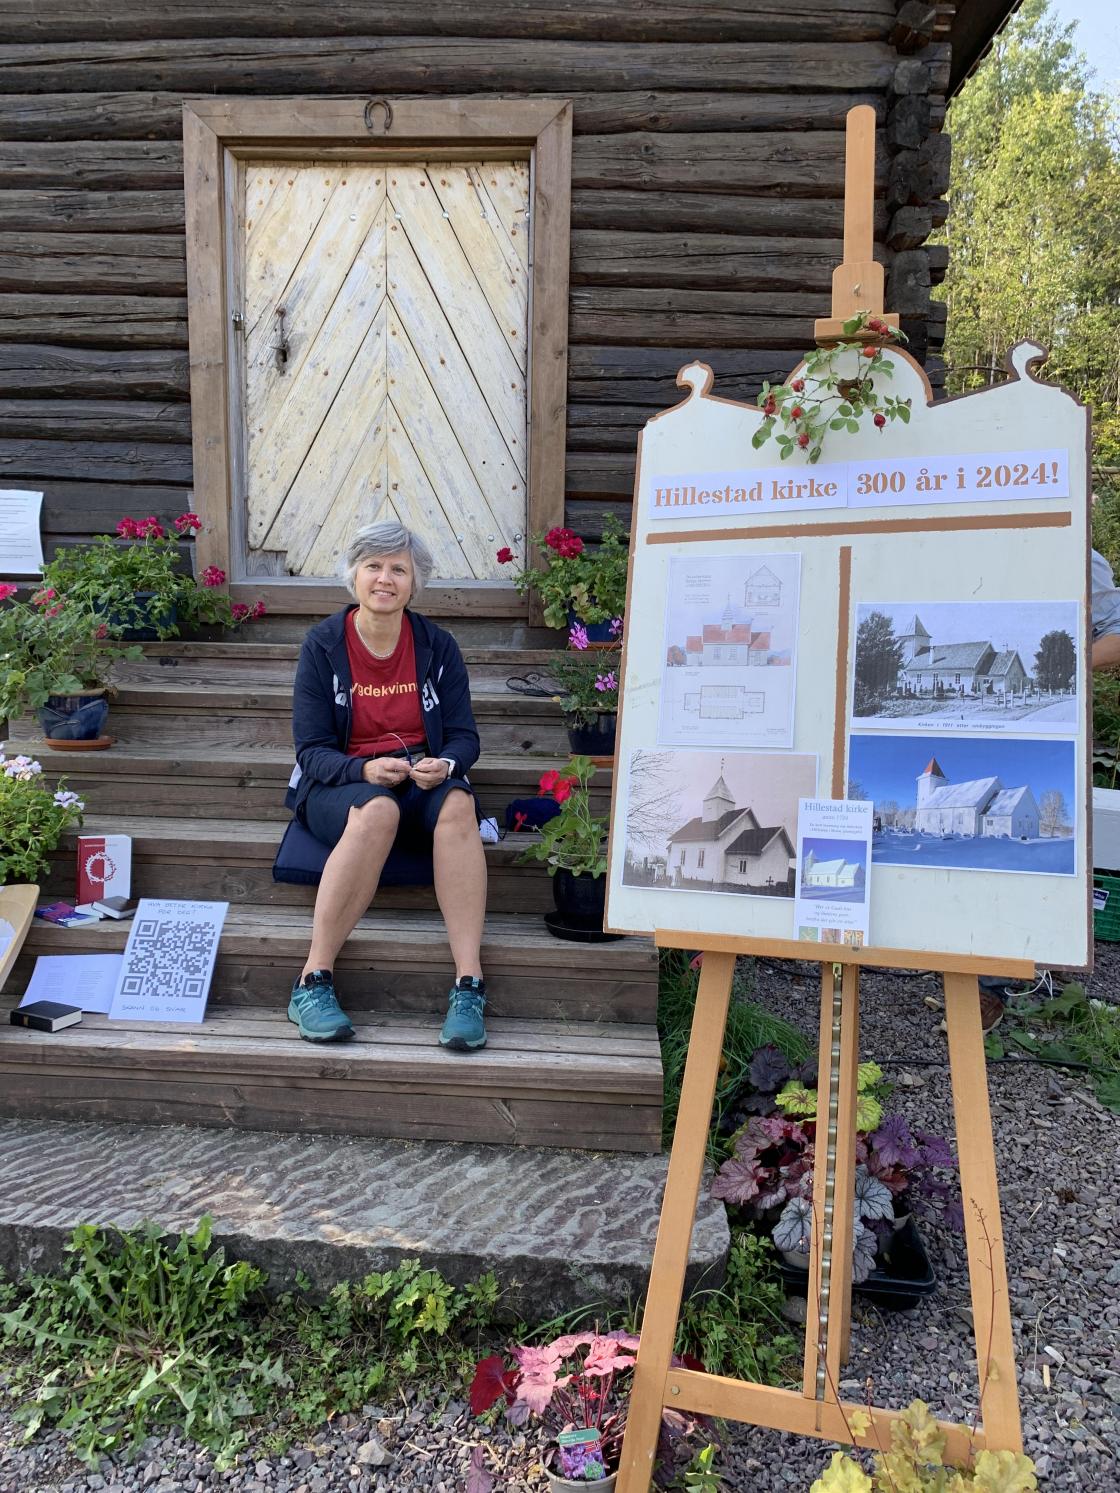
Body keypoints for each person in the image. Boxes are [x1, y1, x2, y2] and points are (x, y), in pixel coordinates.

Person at [285, 520, 487, 1050]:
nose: (385, 578)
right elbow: (311, 752)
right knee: (378, 811)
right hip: (340, 784)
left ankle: (470, 985)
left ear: (415, 583)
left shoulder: (437, 647)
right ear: (353, 575)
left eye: (399, 568)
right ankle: (312, 981)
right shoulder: (323, 645)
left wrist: (444, 763)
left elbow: (465, 737)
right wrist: (363, 770)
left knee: (460, 803)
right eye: (373, 566)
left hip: (418, 779)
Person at [978, 546, 1120, 1031]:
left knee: (1037, 842)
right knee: (987, 839)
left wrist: (1058, 678)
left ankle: (996, 985)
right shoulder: (974, 544)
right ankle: (975, 970)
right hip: (984, 718)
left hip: (1051, 725)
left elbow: (1116, 636)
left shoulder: (1079, 550)